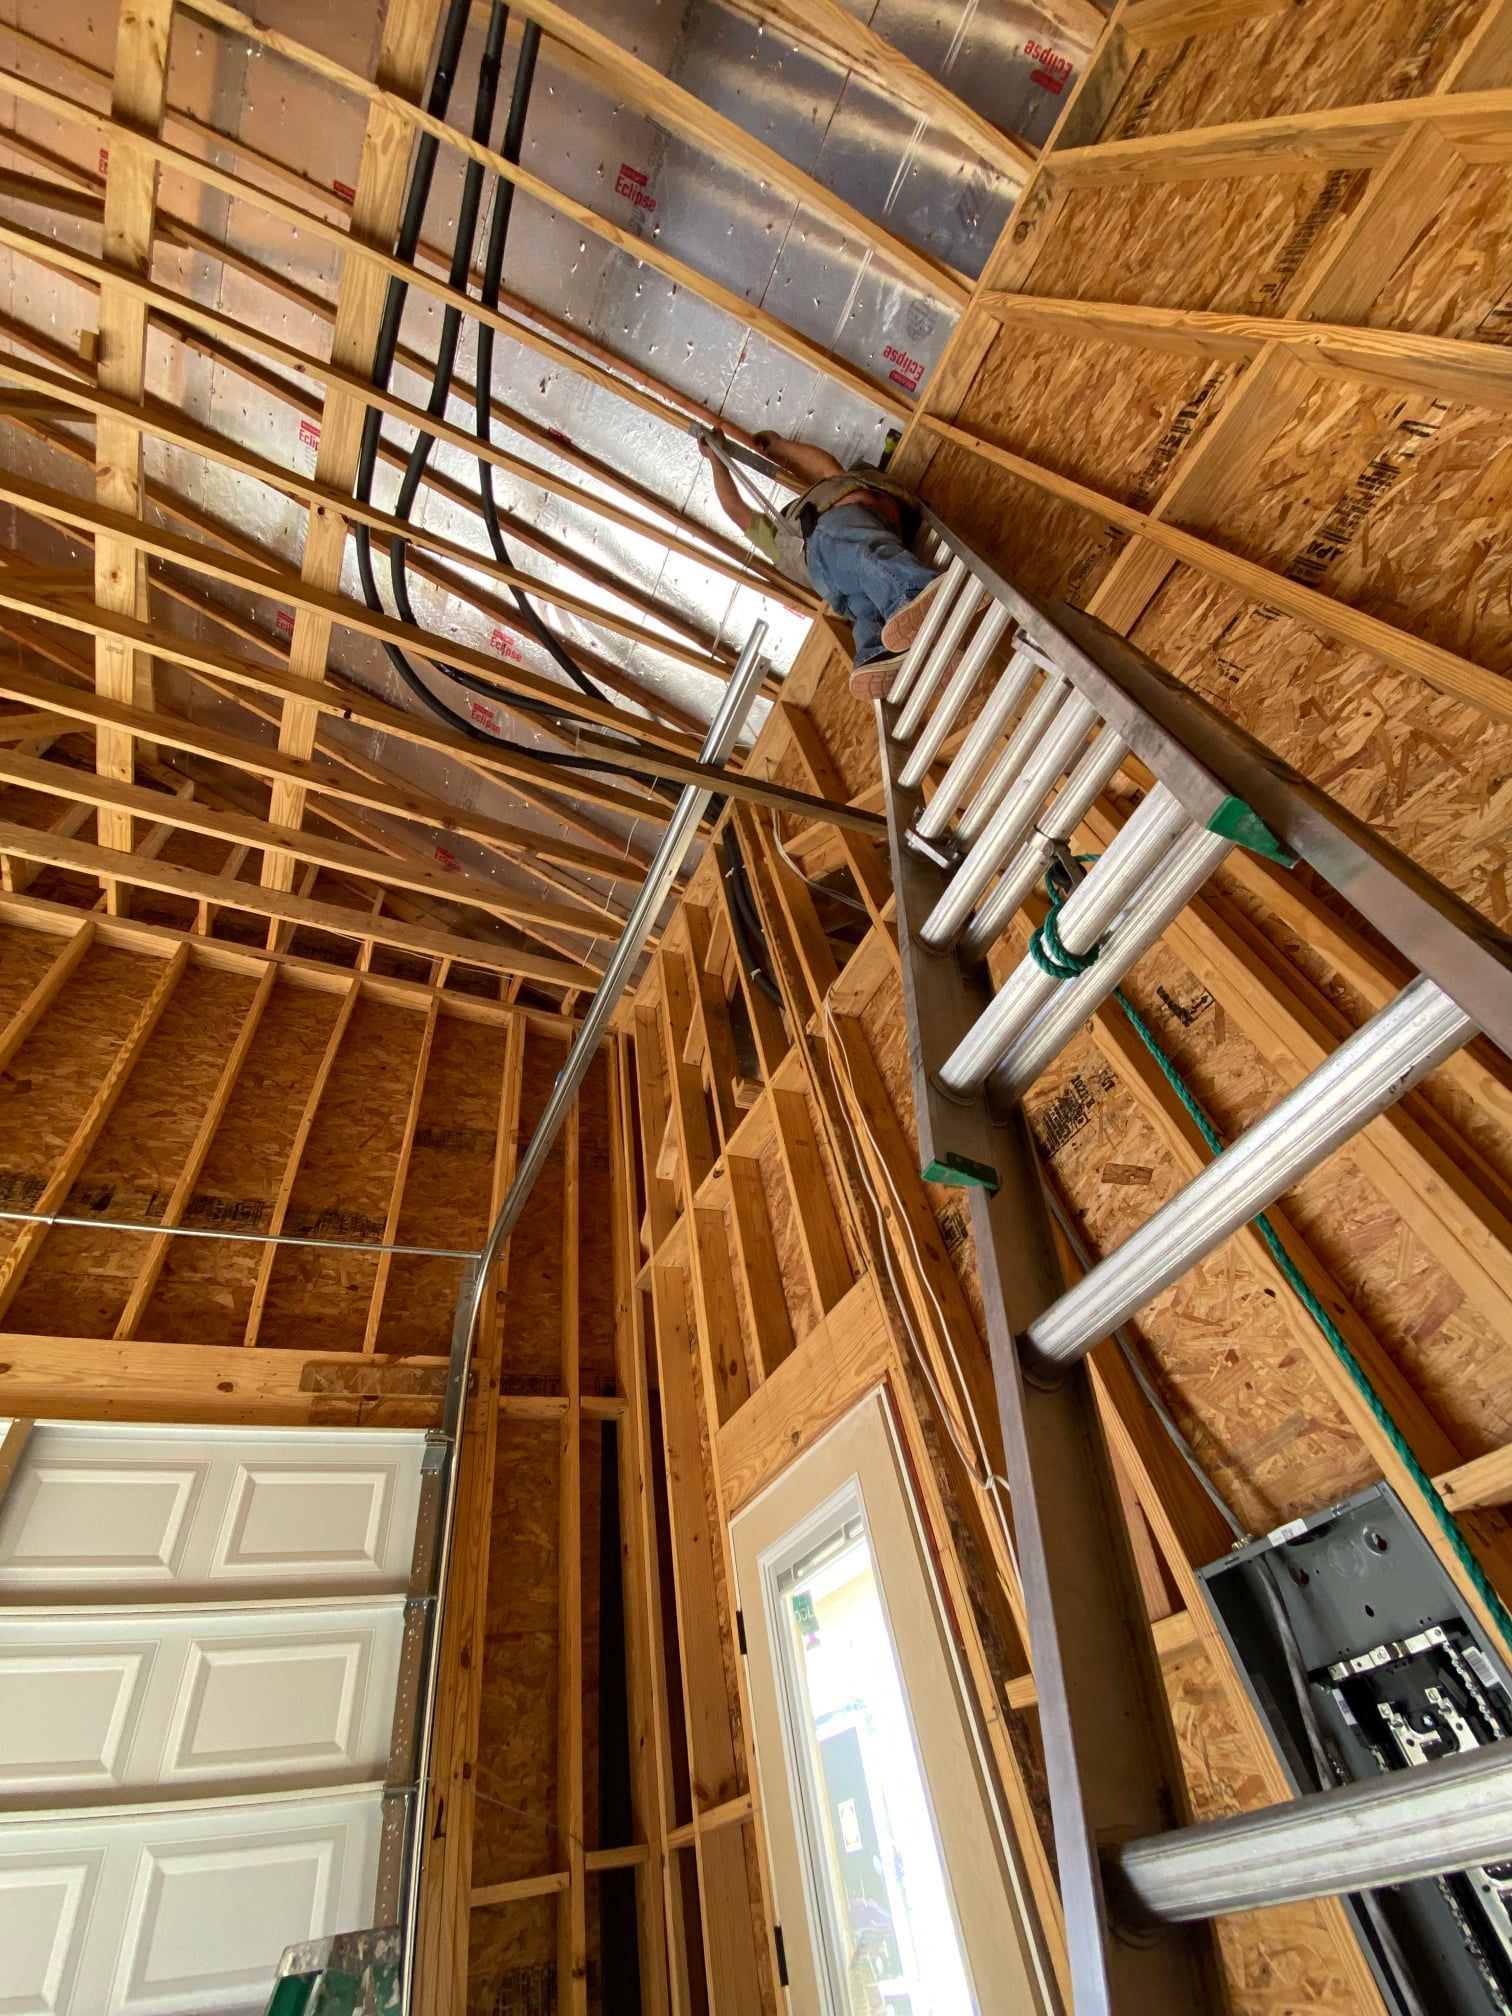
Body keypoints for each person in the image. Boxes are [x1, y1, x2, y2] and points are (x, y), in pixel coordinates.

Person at [699, 428, 945, 698]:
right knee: (862, 555)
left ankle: (875, 652)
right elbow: (736, 507)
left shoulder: (827, 495)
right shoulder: (815, 527)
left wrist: (779, 446)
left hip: (840, 580)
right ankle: (910, 593)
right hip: (843, 540)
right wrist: (717, 459)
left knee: (865, 608)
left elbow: (822, 465)